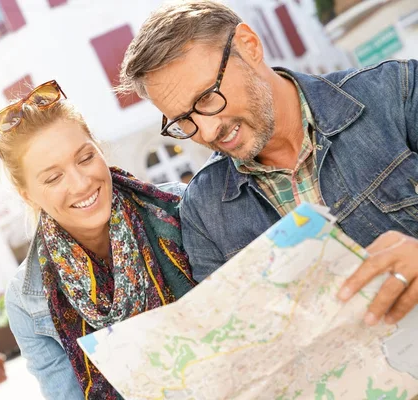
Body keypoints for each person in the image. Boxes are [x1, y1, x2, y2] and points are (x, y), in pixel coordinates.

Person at [119, 0, 418, 327]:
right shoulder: (204, 211)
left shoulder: (396, 93)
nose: (207, 130)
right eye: (183, 120)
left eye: (206, 98)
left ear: (249, 46)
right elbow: (234, 338)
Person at [0, 80, 196, 399]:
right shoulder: (26, 298)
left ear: (99, 149)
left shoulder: (182, 209)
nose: (81, 183)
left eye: (85, 158)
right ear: (27, 195)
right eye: (53, 177)